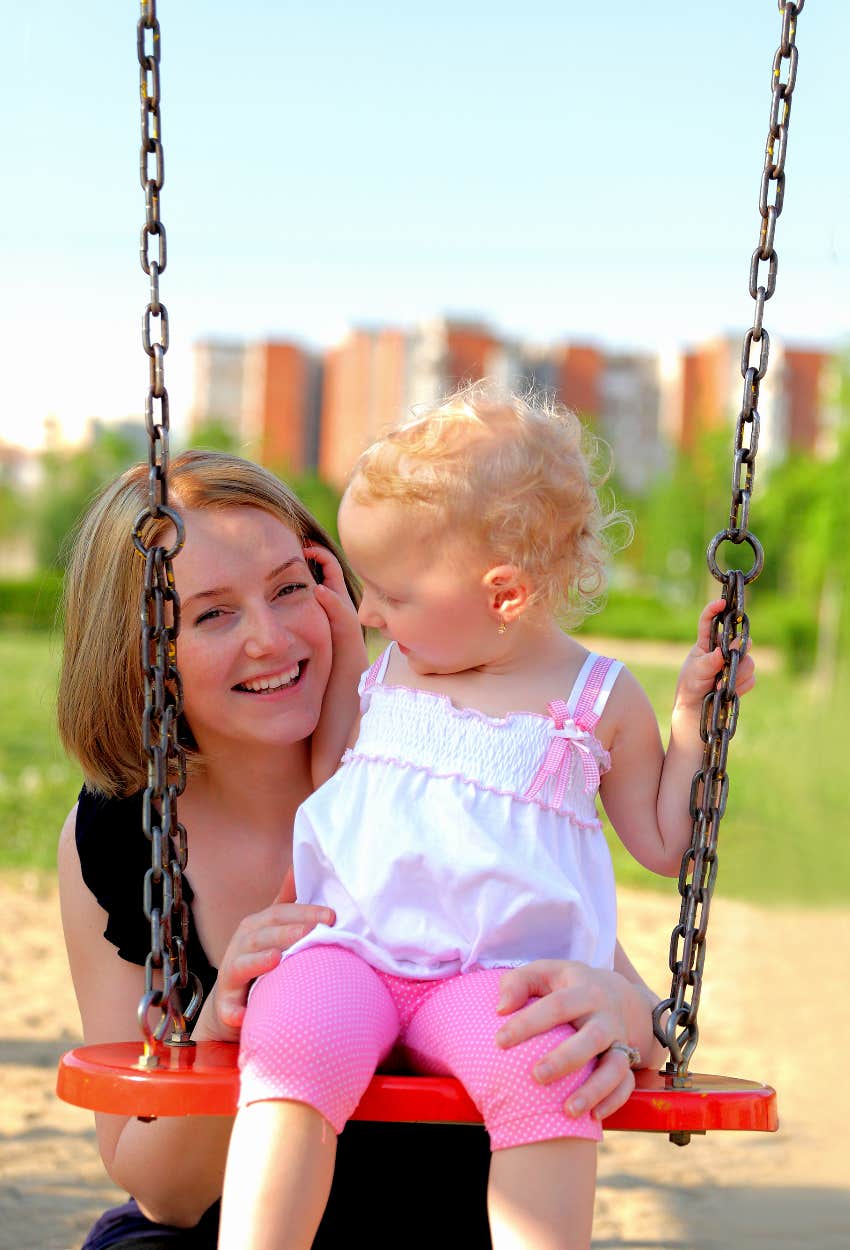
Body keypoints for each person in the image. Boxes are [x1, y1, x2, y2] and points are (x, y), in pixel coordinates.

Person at [57, 447, 665, 1250]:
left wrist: (617, 1015)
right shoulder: (122, 836)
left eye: (289, 587)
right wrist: (218, 1030)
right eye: (213, 613)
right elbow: (165, 1198)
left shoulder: (432, 781)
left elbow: (650, 1020)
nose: (270, 638)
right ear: (143, 652)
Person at [217, 386, 756, 1250]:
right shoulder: (397, 665)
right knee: (292, 1039)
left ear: (503, 594)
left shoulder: (595, 697)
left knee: (552, 1072)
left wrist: (695, 720)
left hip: (497, 982)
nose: (367, 611)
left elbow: (663, 844)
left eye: (389, 592)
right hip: (352, 951)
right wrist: (354, 637)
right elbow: (341, 781)